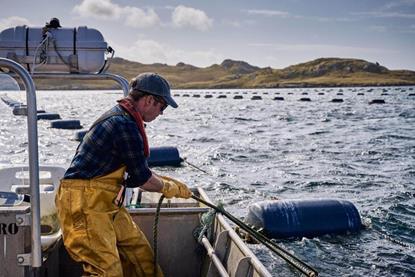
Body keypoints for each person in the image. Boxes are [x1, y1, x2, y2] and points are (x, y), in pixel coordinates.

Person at [55, 72, 192, 276]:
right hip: (83, 205)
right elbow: (142, 179)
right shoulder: (124, 124)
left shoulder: (123, 118)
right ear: (148, 100)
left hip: (105, 203)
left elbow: (137, 170)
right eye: (162, 107)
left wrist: (166, 181)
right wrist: (169, 188)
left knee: (141, 258)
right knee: (106, 271)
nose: (161, 113)